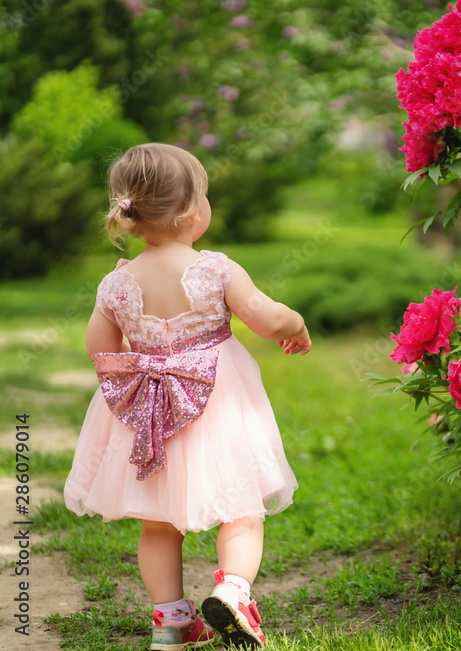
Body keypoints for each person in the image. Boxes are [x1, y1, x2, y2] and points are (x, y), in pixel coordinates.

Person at [64, 143, 310, 650]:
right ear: (193, 211)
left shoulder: (117, 283)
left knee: (158, 523)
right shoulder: (215, 269)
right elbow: (265, 317)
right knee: (240, 509)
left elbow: (100, 350)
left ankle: (171, 621)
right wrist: (296, 321)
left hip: (152, 410)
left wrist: (146, 358)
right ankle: (234, 592)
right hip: (216, 398)